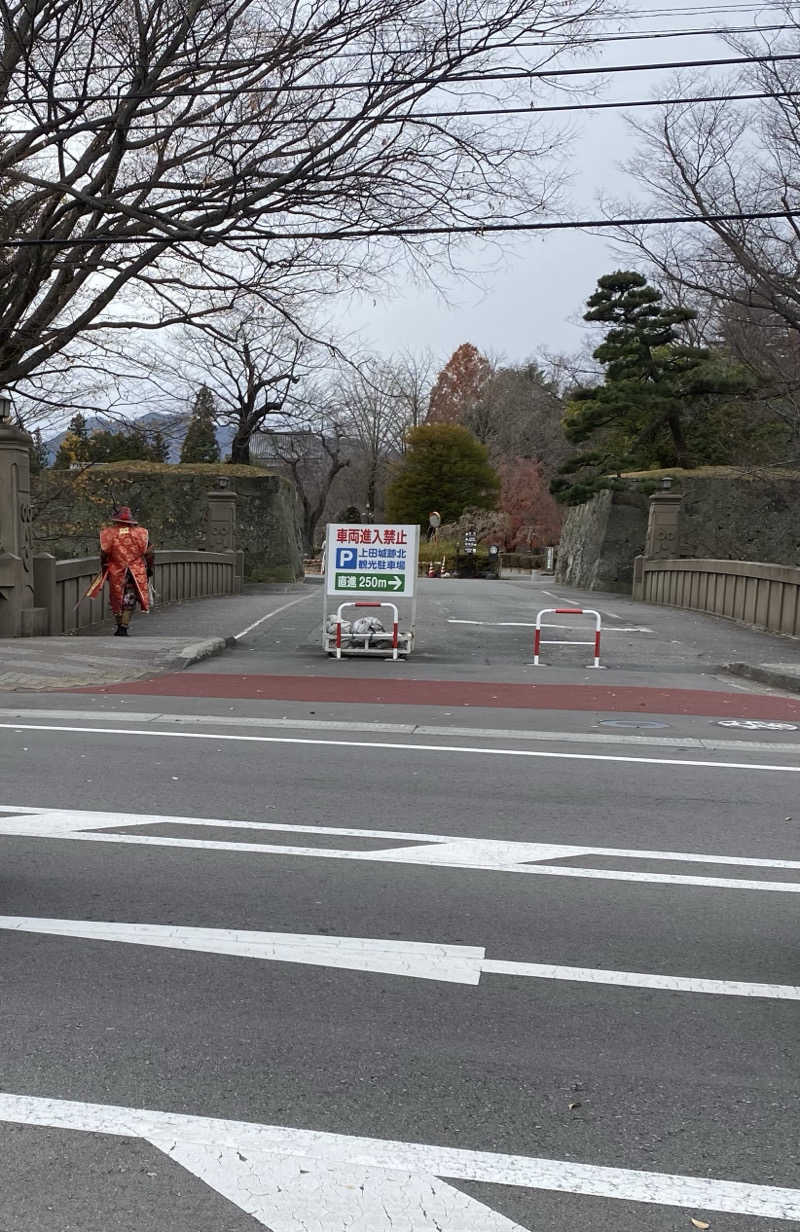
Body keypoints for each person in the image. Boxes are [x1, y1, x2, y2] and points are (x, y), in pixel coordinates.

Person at [99, 507, 154, 636]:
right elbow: (150, 553)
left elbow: (103, 554)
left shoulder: (109, 534)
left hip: (116, 570)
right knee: (130, 598)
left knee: (116, 597)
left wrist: (104, 567)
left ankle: (119, 626)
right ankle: (124, 626)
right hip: (135, 571)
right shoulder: (141, 533)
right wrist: (149, 568)